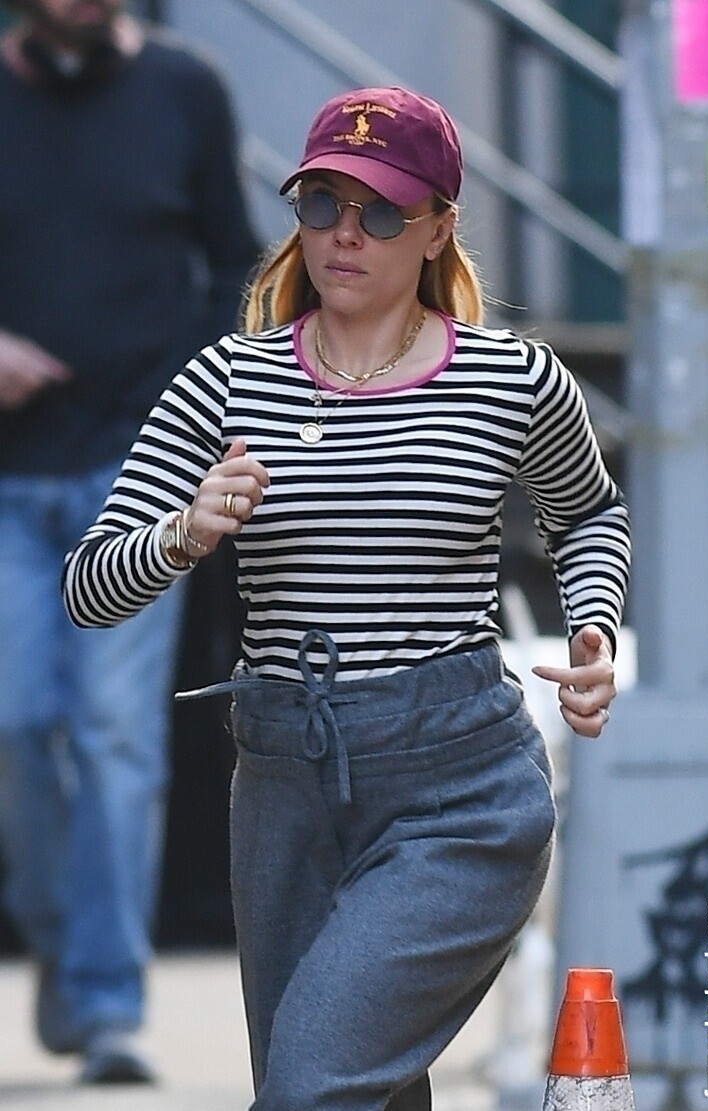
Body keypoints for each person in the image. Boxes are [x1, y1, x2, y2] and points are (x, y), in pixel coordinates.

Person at [62, 85, 631, 1109]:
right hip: (283, 785)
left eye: (381, 211)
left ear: (438, 228)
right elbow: (88, 588)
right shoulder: (225, 381)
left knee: (310, 1087)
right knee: (356, 1092)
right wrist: (185, 531)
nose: (345, 233)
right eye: (322, 203)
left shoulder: (513, 381)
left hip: (457, 788)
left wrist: (592, 622)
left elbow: (587, 513)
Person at [0, 0, 261, 1085]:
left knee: (115, 735)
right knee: (15, 725)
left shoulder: (185, 88)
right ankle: (63, 938)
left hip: (137, 476)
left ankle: (106, 1003)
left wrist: (194, 418)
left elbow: (238, 270)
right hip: (7, 478)